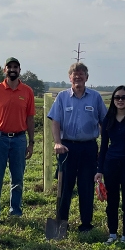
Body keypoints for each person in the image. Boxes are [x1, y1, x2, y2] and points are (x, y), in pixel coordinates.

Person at [49, 62, 106, 233]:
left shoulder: (95, 97)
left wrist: (104, 146)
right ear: (70, 78)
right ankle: (61, 225)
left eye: (81, 74)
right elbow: (55, 121)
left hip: (89, 148)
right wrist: (57, 142)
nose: (78, 77)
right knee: (64, 187)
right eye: (75, 74)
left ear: (87, 78)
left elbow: (104, 122)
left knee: (86, 187)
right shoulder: (62, 97)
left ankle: (86, 225)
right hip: (67, 148)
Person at [0, 57, 36, 226]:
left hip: (19, 140)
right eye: (9, 67)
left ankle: (15, 212)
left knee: (18, 178)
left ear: (19, 70)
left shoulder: (27, 91)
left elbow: (30, 118)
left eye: (16, 67)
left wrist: (31, 142)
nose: (12, 69)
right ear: (4, 69)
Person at [95, 85, 125, 244]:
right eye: (117, 97)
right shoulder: (108, 119)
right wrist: (99, 169)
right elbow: (103, 146)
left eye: (124, 97)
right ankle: (112, 234)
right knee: (112, 201)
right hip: (111, 163)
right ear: (113, 100)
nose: (120, 100)